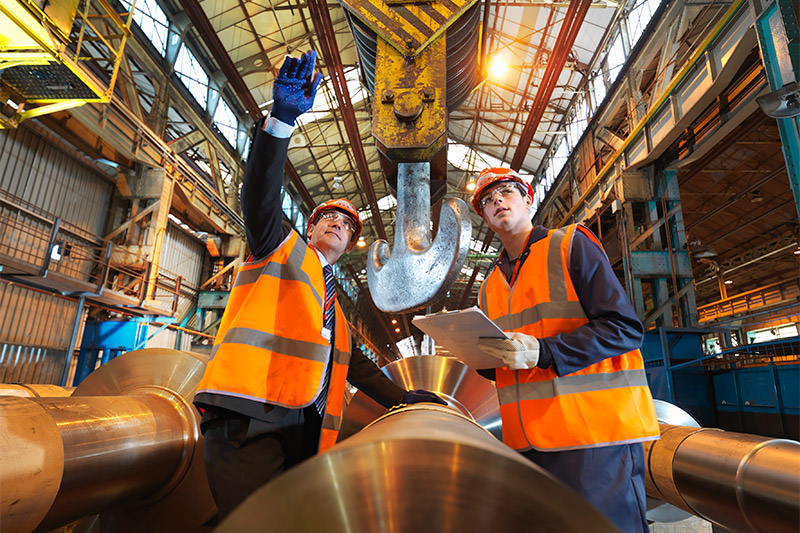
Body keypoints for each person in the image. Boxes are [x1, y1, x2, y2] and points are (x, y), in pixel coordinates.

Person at [193, 50, 445, 520]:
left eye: (345, 225)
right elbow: (260, 198)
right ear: (310, 229)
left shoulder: (331, 306)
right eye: (327, 217)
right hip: (248, 413)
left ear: (351, 243)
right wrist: (281, 122)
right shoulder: (277, 247)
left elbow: (358, 369)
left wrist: (406, 397)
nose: (335, 224)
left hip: (305, 426)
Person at [471, 167, 660, 532]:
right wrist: (475, 357)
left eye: (506, 192)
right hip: (528, 446)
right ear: (484, 219)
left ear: (528, 200)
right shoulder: (490, 285)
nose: (497, 200)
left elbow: (623, 329)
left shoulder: (570, 245)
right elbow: (508, 363)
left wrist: (544, 352)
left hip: (592, 439)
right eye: (487, 201)